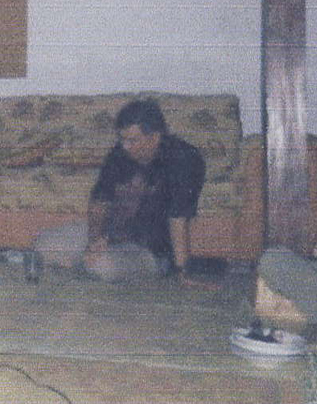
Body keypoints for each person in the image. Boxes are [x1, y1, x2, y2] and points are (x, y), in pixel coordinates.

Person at [35, 98, 205, 282]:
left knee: (102, 266)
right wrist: (94, 240)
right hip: (110, 235)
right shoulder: (119, 153)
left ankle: (84, 263)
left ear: (155, 137)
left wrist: (182, 271)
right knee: (43, 243)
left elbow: (178, 219)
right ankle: (84, 261)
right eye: (122, 139)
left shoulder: (184, 159)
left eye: (133, 140)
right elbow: (99, 202)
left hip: (150, 249)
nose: (125, 146)